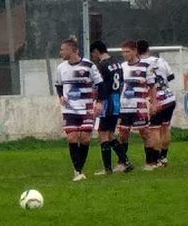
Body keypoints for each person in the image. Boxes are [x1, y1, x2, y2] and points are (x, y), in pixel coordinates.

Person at [55, 38, 103, 182]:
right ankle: (78, 171)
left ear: (71, 50)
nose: (61, 52)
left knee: (85, 139)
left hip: (87, 108)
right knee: (72, 137)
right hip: (69, 108)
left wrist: (99, 102)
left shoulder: (88, 66)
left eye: (63, 49)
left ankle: (79, 169)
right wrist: (60, 96)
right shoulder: (61, 68)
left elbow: (100, 84)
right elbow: (58, 85)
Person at [89, 41, 133, 174]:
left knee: (103, 134)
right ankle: (125, 162)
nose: (93, 57)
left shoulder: (101, 66)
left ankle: (107, 169)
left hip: (106, 102)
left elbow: (99, 85)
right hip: (116, 101)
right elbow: (121, 83)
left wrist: (97, 100)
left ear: (97, 51)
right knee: (110, 134)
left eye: (93, 54)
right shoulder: (117, 63)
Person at [119, 41, 157, 170]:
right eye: (123, 52)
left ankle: (150, 162)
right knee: (123, 134)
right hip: (124, 105)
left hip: (139, 106)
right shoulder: (122, 67)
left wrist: (153, 103)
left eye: (127, 51)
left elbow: (152, 86)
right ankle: (122, 163)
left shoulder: (146, 66)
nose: (124, 54)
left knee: (145, 133)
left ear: (135, 51)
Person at [139, 40, 176, 166]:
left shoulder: (139, 65)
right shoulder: (160, 61)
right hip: (169, 97)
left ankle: (155, 160)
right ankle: (163, 157)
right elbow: (171, 76)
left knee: (154, 130)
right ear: (148, 49)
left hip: (155, 99)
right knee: (165, 127)